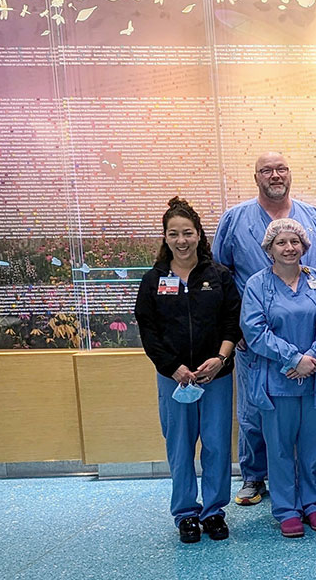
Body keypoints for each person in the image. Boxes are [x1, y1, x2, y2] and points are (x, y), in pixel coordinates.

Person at [213, 151, 316, 506]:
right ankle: (254, 475)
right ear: (256, 176)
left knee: (313, 408)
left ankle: (315, 473)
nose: (275, 175)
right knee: (256, 408)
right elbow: (220, 274)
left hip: (312, 335)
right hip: (255, 335)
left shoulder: (312, 217)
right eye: (266, 170)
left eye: (281, 169)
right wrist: (235, 328)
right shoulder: (234, 219)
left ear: (290, 174)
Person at [135, 197, 240, 544]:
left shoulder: (219, 276)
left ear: (199, 235)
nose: (181, 241)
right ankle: (186, 514)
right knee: (179, 447)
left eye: (188, 233)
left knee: (216, 445)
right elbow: (148, 330)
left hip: (216, 377)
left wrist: (221, 358)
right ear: (165, 237)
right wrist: (172, 367)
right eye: (174, 234)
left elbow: (232, 321)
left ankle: (213, 512)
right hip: (174, 379)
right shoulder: (153, 280)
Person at [240, 219, 316, 538]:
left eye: (295, 242)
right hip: (276, 381)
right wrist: (294, 359)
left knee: (312, 448)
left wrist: (313, 358)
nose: (289, 248)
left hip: (315, 378)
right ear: (269, 248)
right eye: (281, 242)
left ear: (304, 246)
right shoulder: (257, 285)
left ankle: (313, 504)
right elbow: (254, 331)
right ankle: (286, 510)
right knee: (279, 450)